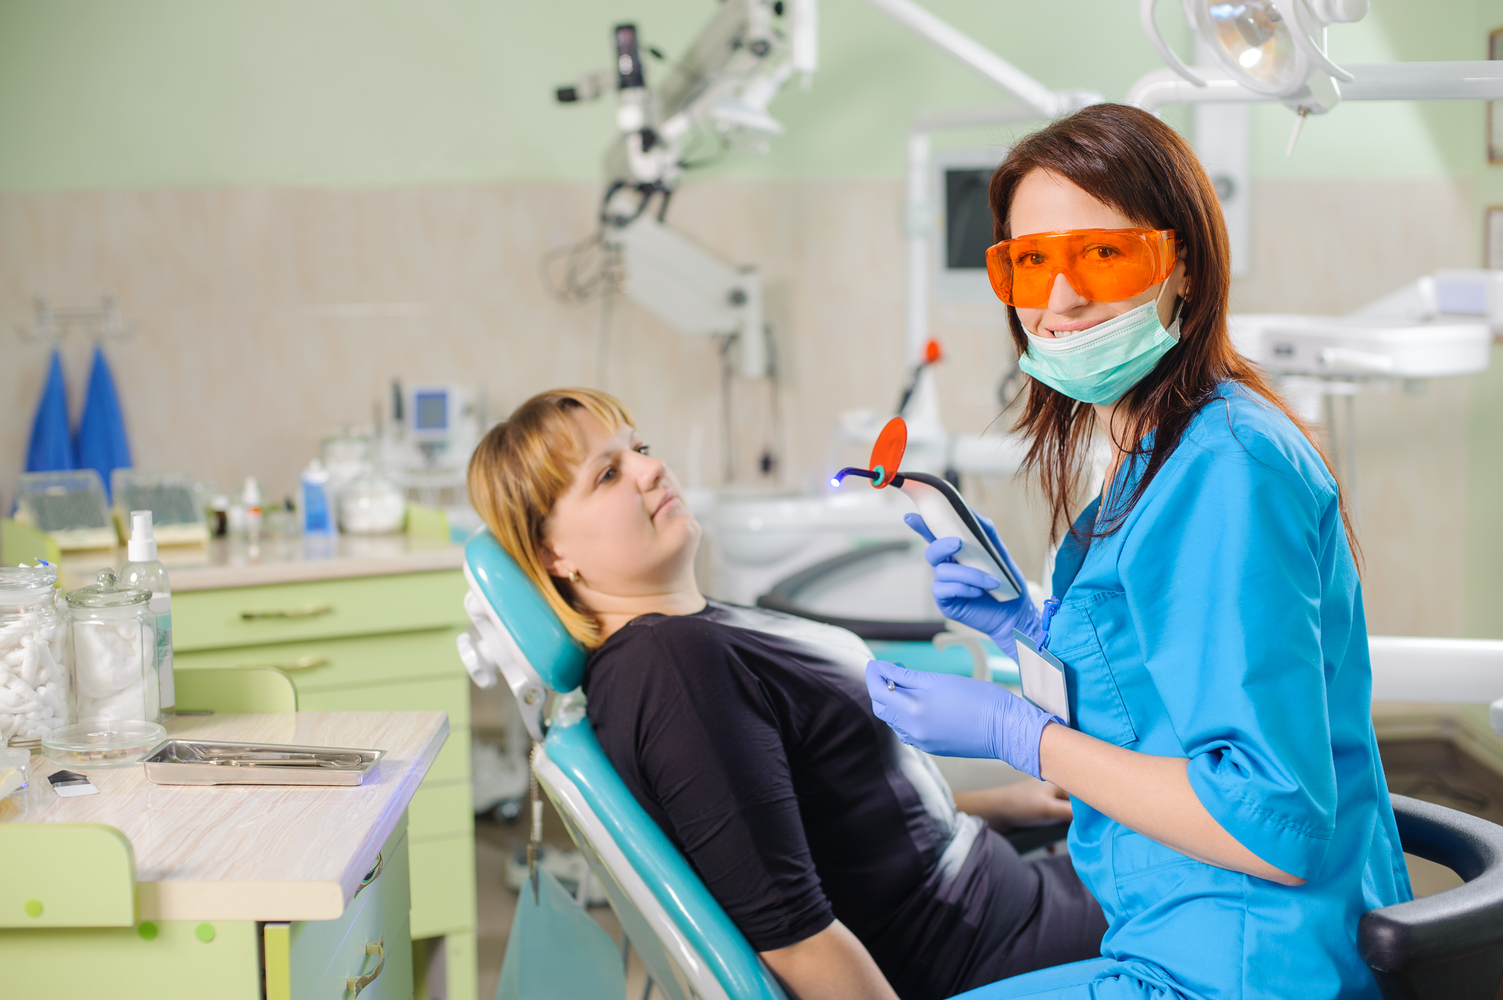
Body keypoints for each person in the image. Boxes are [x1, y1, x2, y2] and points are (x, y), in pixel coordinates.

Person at [865, 103, 1411, 1000]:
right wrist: (1026, 629)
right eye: (1030, 262)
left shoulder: (1226, 465)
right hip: (1170, 936)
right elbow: (1156, 700)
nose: (1060, 298)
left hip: (1248, 967)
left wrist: (1020, 736)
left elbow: (1271, 823)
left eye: (1102, 254)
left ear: (1183, 264)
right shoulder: (1158, 451)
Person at [467, 388, 1108, 1000]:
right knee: (1207, 905)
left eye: (640, 447)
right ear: (553, 553)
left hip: (989, 895)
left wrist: (1002, 803)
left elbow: (818, 819)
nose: (651, 468)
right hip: (975, 950)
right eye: (607, 474)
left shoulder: (690, 634)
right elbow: (798, 940)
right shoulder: (672, 669)